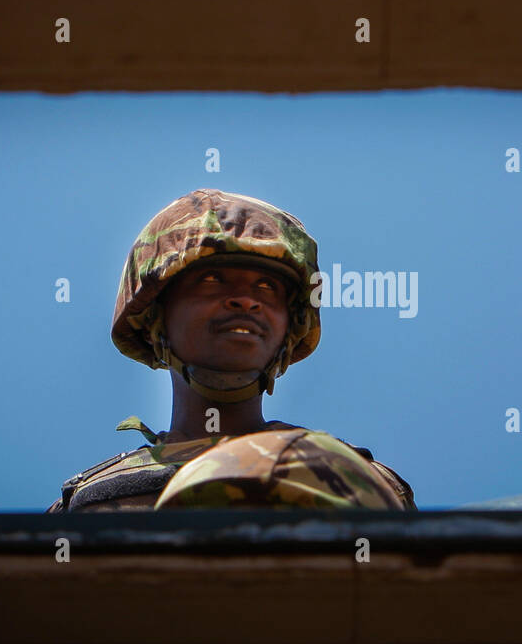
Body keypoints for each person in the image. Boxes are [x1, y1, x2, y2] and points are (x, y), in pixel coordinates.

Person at [46, 189, 415, 513]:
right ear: (156, 318)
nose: (245, 300)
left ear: (290, 327)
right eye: (212, 280)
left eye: (268, 286)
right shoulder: (83, 503)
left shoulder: (357, 480)